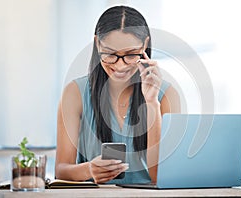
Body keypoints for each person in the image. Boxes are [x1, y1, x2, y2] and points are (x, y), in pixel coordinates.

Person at [55, 5, 180, 184]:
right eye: (110, 54)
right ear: (97, 44)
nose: (120, 66)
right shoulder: (74, 93)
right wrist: (88, 169)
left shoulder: (167, 95)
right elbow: (61, 170)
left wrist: (152, 103)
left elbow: (160, 176)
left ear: (144, 45)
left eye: (130, 55)